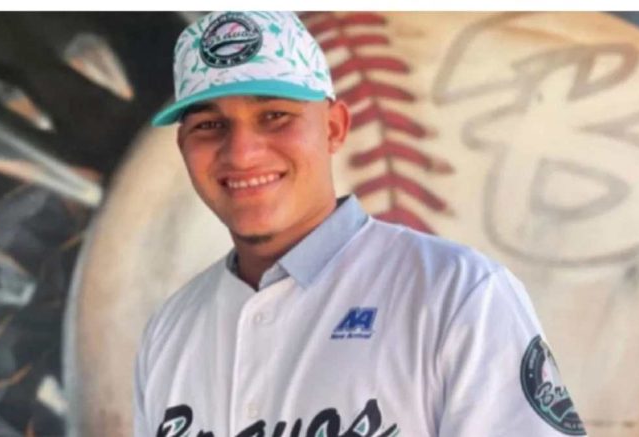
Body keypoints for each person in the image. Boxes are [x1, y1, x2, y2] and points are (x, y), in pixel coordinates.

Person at [134, 11, 587, 437]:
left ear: (334, 127)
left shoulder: (458, 294)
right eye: (209, 125)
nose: (242, 153)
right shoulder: (170, 330)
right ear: (183, 145)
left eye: (274, 116)